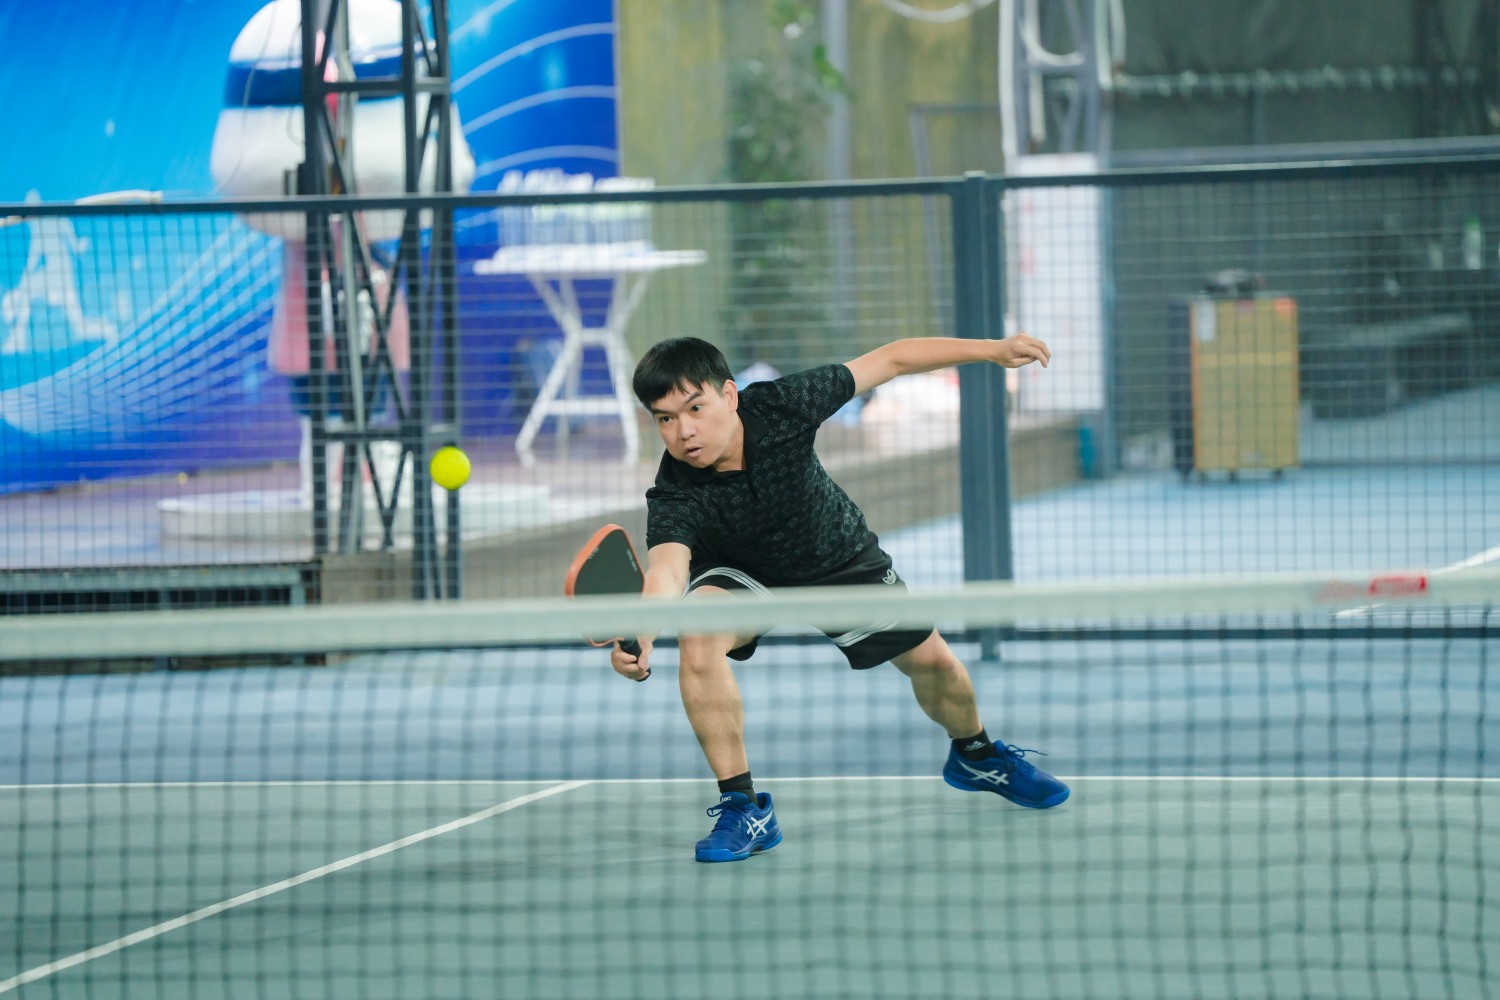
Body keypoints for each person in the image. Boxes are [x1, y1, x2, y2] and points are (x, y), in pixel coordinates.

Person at [618, 335, 1069, 864]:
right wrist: (643, 631)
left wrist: (992, 350)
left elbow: (892, 359)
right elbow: (668, 568)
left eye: (695, 408)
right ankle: (744, 806)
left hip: (835, 557)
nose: (684, 431)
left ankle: (976, 754)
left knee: (935, 665)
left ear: (730, 395)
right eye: (665, 419)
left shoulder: (783, 406)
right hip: (743, 572)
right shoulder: (674, 490)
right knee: (698, 629)